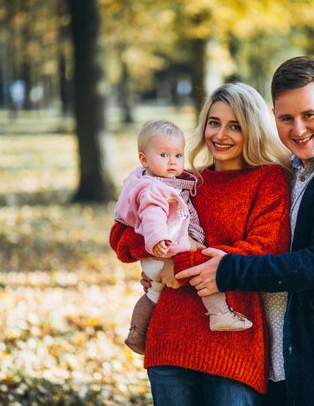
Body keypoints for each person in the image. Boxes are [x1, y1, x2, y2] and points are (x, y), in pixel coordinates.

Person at [175, 56, 314, 406]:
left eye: (309, 115)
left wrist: (229, 271)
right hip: (279, 358)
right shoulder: (289, 171)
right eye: (286, 118)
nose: (297, 129)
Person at [110, 82, 292, 405]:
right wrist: (159, 255)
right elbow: (123, 237)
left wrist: (176, 265)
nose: (221, 135)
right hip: (170, 336)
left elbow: (263, 251)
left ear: (251, 129)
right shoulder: (184, 181)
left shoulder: (269, 180)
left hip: (232, 343)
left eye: (235, 126)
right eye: (214, 122)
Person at [113, 119, 254, 355]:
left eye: (178, 155)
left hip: (158, 255)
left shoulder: (157, 180)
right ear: (143, 159)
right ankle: (220, 314)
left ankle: (137, 333)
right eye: (164, 155)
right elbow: (151, 215)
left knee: (153, 294)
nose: (172, 161)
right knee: (205, 269)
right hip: (165, 247)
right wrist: (158, 242)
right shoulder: (154, 188)